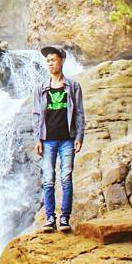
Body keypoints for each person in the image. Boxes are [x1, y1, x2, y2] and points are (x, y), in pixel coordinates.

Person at [32, 46, 85, 233]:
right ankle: (49, 218)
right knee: (48, 180)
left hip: (67, 140)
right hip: (47, 140)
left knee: (66, 178)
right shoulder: (41, 88)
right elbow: (37, 115)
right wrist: (37, 138)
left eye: (53, 60)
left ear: (61, 61)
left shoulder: (73, 86)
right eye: (48, 61)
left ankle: (64, 217)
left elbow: (79, 113)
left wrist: (79, 136)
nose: (50, 63)